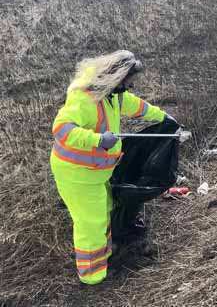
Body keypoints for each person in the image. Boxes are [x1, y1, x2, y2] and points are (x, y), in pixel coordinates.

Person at [50, 50, 176, 285]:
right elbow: (61, 129)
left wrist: (162, 116)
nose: (129, 86)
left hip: (93, 173)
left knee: (103, 211)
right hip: (77, 174)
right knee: (91, 223)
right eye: (128, 82)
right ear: (115, 78)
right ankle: (93, 277)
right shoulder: (83, 99)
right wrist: (97, 140)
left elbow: (134, 105)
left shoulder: (112, 96)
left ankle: (103, 258)